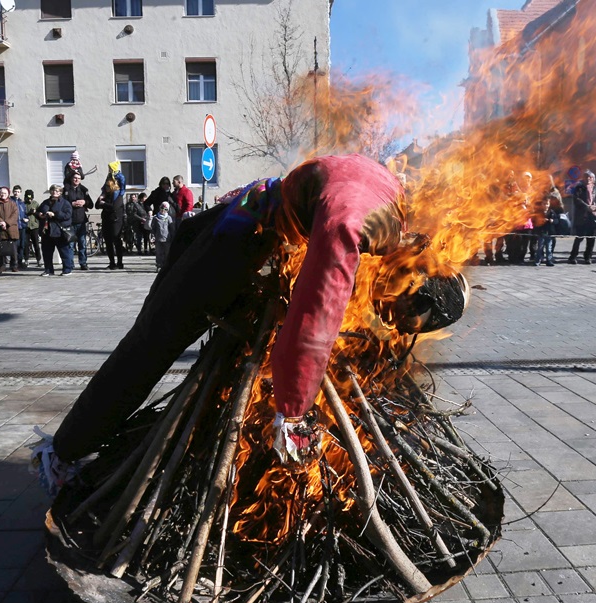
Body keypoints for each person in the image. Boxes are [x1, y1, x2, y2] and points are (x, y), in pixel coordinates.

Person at [28, 154, 470, 496]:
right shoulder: (355, 222)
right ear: (414, 279)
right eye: (397, 312)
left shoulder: (395, 208)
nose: (386, 315)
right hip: (234, 241)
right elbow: (313, 319)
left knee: (156, 340)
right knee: (152, 345)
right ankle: (63, 456)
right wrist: (293, 413)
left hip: (258, 234)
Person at [36, 184, 74, 277]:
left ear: (60, 192)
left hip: (59, 231)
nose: (55, 193)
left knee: (64, 251)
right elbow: (38, 212)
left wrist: (55, 214)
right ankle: (48, 270)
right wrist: (39, 214)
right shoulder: (45, 202)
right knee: (47, 252)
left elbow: (67, 216)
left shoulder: (65, 203)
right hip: (47, 231)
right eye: (53, 190)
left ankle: (67, 269)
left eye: (57, 191)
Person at [567, 171, 596, 265]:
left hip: (593, 216)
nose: (588, 179)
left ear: (593, 179)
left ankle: (588, 257)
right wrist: (586, 206)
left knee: (591, 238)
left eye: (590, 177)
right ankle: (573, 257)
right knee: (579, 237)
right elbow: (576, 199)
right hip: (582, 216)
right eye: (586, 177)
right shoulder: (579, 188)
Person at [62, 173, 93, 271]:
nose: (76, 180)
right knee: (70, 245)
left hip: (81, 221)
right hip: (70, 221)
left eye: (79, 178)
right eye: (75, 178)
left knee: (82, 244)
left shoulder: (84, 190)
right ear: (71, 178)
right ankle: (70, 264)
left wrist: (85, 202)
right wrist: (71, 204)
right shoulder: (66, 190)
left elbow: (91, 204)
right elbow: (62, 204)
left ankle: (83, 263)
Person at [99, 162, 126, 269]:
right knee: (108, 242)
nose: (105, 188)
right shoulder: (105, 195)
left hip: (116, 221)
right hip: (106, 220)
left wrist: (104, 204)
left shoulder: (118, 195)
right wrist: (101, 199)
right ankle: (112, 263)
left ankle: (120, 262)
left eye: (107, 186)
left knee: (116, 240)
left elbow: (114, 207)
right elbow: (97, 205)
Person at [0, 186, 21, 272]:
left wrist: (7, 223)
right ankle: (2, 265)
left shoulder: (12, 203)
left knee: (13, 248)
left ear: (8, 194)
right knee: (0, 248)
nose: (3, 195)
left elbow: (15, 215)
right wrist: (0, 222)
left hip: (11, 228)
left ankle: (14, 265)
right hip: (0, 229)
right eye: (1, 193)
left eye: (5, 193)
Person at [23, 189, 41, 268]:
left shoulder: (35, 204)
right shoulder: (23, 204)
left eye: (31, 198)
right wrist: (28, 213)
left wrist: (35, 212)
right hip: (26, 226)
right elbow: (22, 214)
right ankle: (26, 259)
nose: (29, 200)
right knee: (26, 244)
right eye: (28, 198)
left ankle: (39, 260)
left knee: (36, 244)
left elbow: (40, 214)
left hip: (34, 226)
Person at [152, 201, 172, 271]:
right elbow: (153, 228)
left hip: (167, 239)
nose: (163, 210)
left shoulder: (169, 218)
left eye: (165, 209)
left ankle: (166, 266)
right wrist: (153, 237)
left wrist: (172, 237)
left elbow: (171, 228)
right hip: (158, 238)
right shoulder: (155, 218)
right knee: (158, 253)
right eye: (162, 208)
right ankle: (159, 265)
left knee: (167, 253)